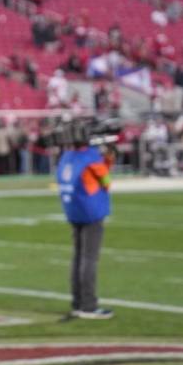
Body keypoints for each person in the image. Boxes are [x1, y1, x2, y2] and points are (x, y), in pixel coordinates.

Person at [56, 121, 114, 320]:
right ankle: (88, 305)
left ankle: (77, 301)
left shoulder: (66, 157)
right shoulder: (91, 157)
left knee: (78, 257)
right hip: (91, 211)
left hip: (74, 211)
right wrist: (107, 158)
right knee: (89, 259)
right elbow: (106, 182)